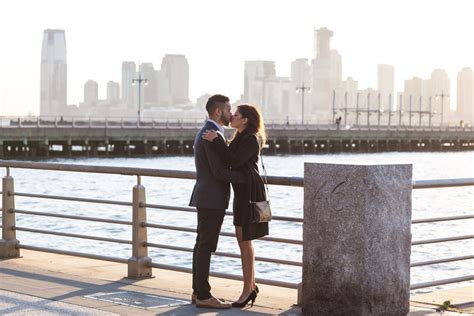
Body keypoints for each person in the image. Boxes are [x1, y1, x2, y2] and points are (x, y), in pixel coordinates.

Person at [202, 104, 269, 308]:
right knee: (242, 239)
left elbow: (234, 160)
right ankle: (250, 285)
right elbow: (230, 162)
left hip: (249, 192)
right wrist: (220, 142)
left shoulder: (250, 138)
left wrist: (217, 141)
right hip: (242, 192)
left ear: (246, 120)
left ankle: (248, 289)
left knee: (245, 240)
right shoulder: (240, 136)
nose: (232, 116)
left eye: (237, 114)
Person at [189, 94, 246, 309]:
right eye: (228, 109)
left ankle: (198, 292)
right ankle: (203, 295)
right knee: (206, 245)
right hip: (212, 198)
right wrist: (246, 178)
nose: (231, 113)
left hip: (206, 196)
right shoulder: (211, 134)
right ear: (217, 111)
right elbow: (219, 172)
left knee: (201, 244)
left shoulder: (207, 131)